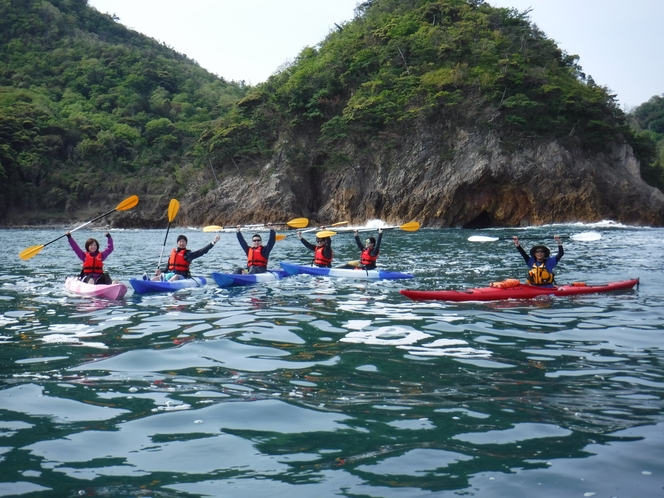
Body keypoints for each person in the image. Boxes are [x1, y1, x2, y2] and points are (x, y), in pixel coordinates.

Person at [150, 234, 220, 281]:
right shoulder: (173, 254)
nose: (181, 243)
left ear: (186, 243)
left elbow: (202, 251)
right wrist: (160, 271)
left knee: (176, 276)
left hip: (181, 276)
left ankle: (166, 283)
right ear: (177, 243)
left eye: (183, 241)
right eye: (180, 241)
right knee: (158, 276)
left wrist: (213, 242)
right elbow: (167, 268)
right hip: (170, 274)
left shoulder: (188, 254)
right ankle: (149, 281)